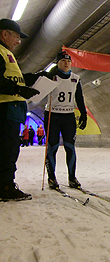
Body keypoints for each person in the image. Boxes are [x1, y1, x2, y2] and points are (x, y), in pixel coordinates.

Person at [0, 19, 40, 201]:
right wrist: (18, 90)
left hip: (11, 109)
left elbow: (13, 79)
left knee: (9, 148)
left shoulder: (7, 54)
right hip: (5, 109)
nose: (18, 41)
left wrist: (32, 79)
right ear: (4, 34)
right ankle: (6, 187)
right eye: (16, 36)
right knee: (7, 149)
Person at [43, 51, 87, 189]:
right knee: (53, 147)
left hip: (68, 116)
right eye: (63, 61)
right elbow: (40, 89)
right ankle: (52, 178)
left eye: (68, 61)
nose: (66, 63)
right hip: (52, 115)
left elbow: (79, 98)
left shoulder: (75, 78)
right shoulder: (51, 76)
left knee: (70, 147)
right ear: (58, 63)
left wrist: (84, 114)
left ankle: (72, 177)